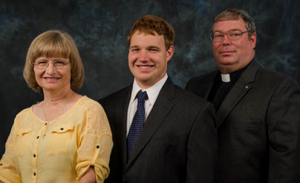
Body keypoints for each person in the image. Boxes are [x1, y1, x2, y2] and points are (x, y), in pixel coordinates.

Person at [99, 15, 217, 183]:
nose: (143, 58)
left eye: (152, 49)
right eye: (136, 49)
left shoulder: (196, 112)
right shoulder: (105, 107)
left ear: (169, 53)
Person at [186, 9, 300, 183]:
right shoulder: (195, 86)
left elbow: (287, 161)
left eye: (235, 34)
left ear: (252, 39)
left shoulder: (279, 88)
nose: (225, 42)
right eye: (218, 35)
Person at [0, 30, 113, 183]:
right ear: (33, 68)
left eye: (59, 62)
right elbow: (8, 174)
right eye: (42, 62)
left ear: (72, 67)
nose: (50, 70)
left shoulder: (90, 111)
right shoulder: (22, 118)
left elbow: (91, 173)